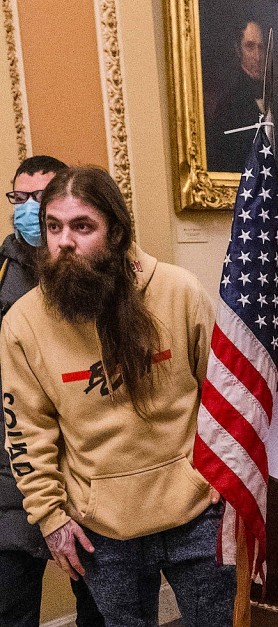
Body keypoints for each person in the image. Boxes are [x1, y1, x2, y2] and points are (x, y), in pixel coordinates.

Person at [0, 166, 235, 626]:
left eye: (82, 226)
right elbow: (26, 432)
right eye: (54, 227)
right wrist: (51, 519)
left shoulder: (179, 292)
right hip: (101, 528)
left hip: (196, 510)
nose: (64, 241)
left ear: (117, 232)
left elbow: (223, 398)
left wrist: (229, 488)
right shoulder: (23, 323)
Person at [0, 156, 105, 627]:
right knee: (12, 606)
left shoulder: (97, 272)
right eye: (18, 199)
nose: (28, 210)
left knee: (100, 608)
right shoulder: (3, 276)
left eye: (39, 199)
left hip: (89, 471)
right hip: (12, 475)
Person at [205, 18, 278, 176]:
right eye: (250, 47)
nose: (258, 57)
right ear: (238, 50)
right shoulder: (228, 107)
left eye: (261, 47)